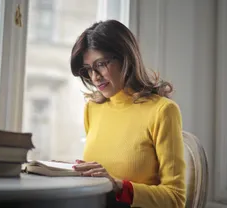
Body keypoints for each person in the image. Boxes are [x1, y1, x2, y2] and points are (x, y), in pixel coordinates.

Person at [70, 20, 186, 208]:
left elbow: (175, 198)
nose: (95, 77)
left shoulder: (163, 111)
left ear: (125, 58)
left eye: (101, 64)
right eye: (88, 69)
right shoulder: (92, 109)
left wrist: (119, 186)